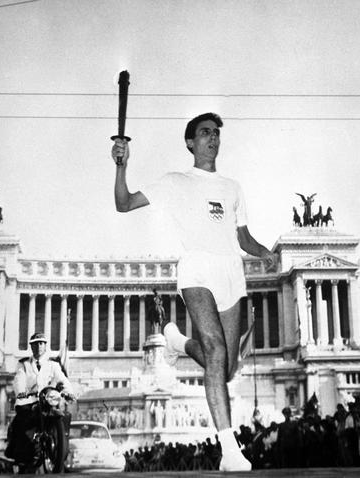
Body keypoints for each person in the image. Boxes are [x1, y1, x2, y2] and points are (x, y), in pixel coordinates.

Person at [112, 112, 277, 471]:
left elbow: (243, 237)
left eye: (216, 133)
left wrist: (264, 252)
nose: (213, 138)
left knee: (227, 367)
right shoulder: (175, 181)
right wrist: (121, 165)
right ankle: (230, 449)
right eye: (205, 133)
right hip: (196, 269)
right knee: (216, 351)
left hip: (231, 271)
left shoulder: (233, 187)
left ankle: (176, 341)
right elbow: (123, 203)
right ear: (190, 142)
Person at [4, 332, 74, 466]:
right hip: (29, 401)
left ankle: (61, 448)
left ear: (45, 346)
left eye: (41, 343)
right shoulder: (24, 364)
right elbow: (19, 380)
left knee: (64, 416)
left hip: (48, 400)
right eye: (35, 344)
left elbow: (62, 379)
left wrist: (69, 392)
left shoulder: (53, 364)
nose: (39, 346)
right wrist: (21, 392)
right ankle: (22, 454)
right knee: (23, 421)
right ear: (31, 347)